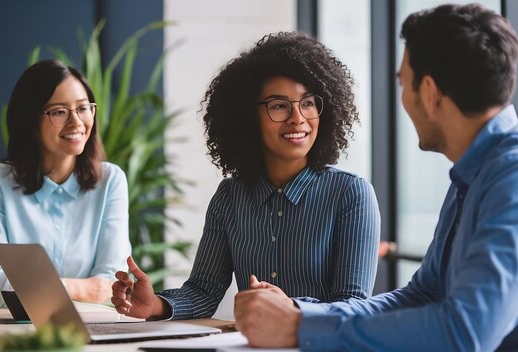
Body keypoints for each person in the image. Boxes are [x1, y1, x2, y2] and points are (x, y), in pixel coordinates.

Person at [234, 3, 518, 350]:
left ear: (428, 92)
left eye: (403, 83)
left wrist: (300, 328)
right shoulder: (477, 173)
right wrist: (299, 314)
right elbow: (423, 294)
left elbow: (465, 333)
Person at [111, 31, 381, 320]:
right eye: (279, 105)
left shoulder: (351, 194)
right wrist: (156, 305)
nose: (298, 118)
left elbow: (354, 306)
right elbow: (204, 291)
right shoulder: (229, 196)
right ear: (248, 117)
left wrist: (293, 308)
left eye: (308, 103)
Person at [0, 60, 131, 308]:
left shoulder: (111, 181)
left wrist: (34, 286)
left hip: (86, 331)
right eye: (59, 112)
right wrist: (77, 287)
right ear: (29, 120)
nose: (77, 122)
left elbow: (110, 283)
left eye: (83, 108)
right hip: (7, 331)